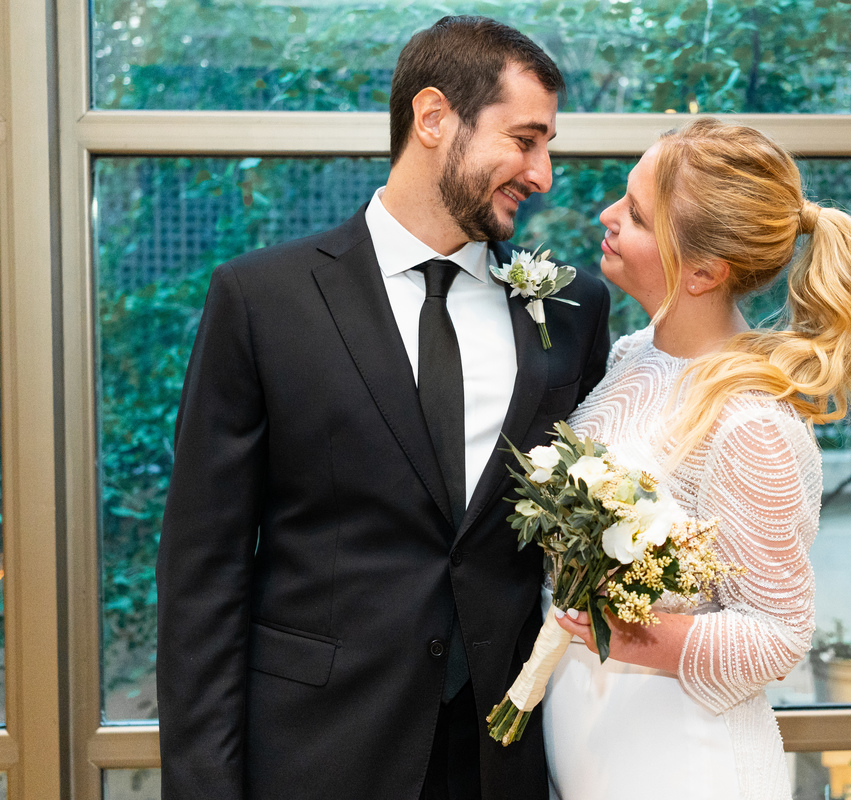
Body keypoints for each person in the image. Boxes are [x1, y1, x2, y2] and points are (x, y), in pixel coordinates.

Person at [156, 16, 610, 800]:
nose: (543, 174)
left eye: (549, 145)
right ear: (433, 118)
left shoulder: (572, 310)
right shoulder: (262, 300)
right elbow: (204, 573)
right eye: (526, 139)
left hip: (502, 757)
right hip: (316, 753)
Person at [546, 117, 851, 799]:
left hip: (686, 769)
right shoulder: (632, 354)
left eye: (637, 215)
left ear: (704, 271)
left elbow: (777, 636)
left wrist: (627, 628)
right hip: (600, 759)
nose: (607, 216)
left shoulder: (749, 421)